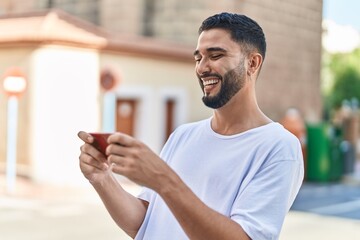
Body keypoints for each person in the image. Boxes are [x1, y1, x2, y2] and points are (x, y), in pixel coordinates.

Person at [78, 12, 304, 240]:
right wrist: (103, 179)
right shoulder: (183, 135)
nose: (202, 68)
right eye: (198, 58)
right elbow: (143, 223)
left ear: (252, 63)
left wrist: (162, 179)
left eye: (215, 55)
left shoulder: (279, 147)